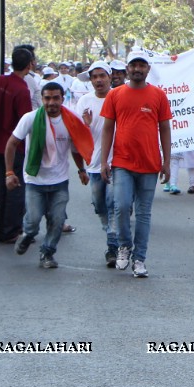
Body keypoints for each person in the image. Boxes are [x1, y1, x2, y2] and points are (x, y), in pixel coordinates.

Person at [100, 51, 173, 278]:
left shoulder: (158, 95)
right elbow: (107, 128)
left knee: (143, 213)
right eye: (133, 65)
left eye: (142, 65)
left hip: (150, 164)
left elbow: (165, 129)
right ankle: (124, 246)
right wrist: (104, 160)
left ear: (148, 69)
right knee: (121, 206)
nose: (137, 69)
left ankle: (140, 258)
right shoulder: (115, 95)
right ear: (127, 69)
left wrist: (167, 162)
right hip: (122, 162)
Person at [7, 82, 93, 268]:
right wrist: (9, 172)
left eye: (55, 98)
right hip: (34, 180)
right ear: (42, 99)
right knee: (33, 221)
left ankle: (47, 253)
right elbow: (12, 143)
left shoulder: (71, 120)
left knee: (58, 219)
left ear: (63, 99)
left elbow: (76, 148)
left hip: (59, 180)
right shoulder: (30, 118)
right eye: (47, 98)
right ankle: (27, 235)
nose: (51, 102)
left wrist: (81, 170)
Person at [0, 47, 35, 243]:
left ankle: (2, 229)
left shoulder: (0, 82)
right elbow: (25, 123)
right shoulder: (22, 90)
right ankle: (11, 230)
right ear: (29, 65)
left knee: (2, 188)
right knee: (15, 188)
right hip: (14, 146)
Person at [75, 61, 119, 266]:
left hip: (117, 161)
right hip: (93, 164)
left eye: (102, 76)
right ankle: (110, 232)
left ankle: (113, 245)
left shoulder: (119, 97)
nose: (99, 80)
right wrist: (85, 125)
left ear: (110, 77)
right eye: (95, 77)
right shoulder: (84, 101)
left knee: (112, 204)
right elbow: (76, 135)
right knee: (99, 204)